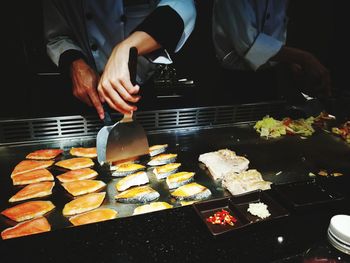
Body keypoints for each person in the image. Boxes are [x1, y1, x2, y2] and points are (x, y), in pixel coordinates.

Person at [43, 0, 196, 119]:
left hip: (138, 89)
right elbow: (57, 36)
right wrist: (74, 64)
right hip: (88, 94)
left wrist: (126, 48)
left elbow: (181, 5)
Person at [212, 0, 332, 105]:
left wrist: (288, 60)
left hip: (270, 76)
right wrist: (305, 59)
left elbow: (275, 28)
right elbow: (250, 46)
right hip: (234, 81)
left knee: (272, 127)